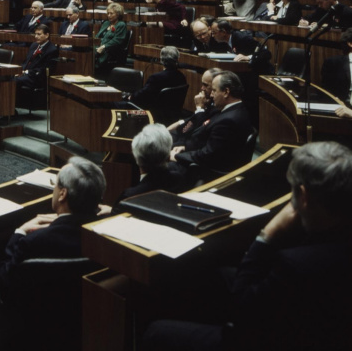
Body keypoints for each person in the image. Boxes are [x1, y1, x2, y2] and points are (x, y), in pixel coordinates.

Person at [145, 141, 352, 351]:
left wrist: (266, 235)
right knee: (216, 276)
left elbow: (242, 311)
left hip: (266, 339)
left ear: (304, 196)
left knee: (157, 331)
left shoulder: (295, 265)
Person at [0, 156, 105, 281]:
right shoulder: (107, 238)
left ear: (62, 194)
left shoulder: (31, 242)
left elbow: (6, 276)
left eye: (55, 184)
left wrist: (20, 231)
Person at [170, 71, 254, 176]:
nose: (211, 94)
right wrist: (186, 148)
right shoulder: (235, 109)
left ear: (226, 92)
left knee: (156, 167)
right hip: (201, 156)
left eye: (214, 90)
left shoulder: (228, 120)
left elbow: (208, 155)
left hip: (206, 170)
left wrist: (177, 157)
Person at [126, 46, 187, 111]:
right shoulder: (182, 77)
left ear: (161, 60)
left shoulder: (156, 78)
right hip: (172, 114)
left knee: (115, 104)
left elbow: (143, 96)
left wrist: (132, 96)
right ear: (177, 59)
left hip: (151, 113)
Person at [94, 2, 129, 75]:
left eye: (111, 13)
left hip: (110, 51)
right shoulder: (106, 23)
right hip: (98, 47)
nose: (109, 15)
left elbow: (118, 40)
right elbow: (97, 36)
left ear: (118, 14)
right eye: (108, 13)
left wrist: (104, 46)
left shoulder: (121, 24)